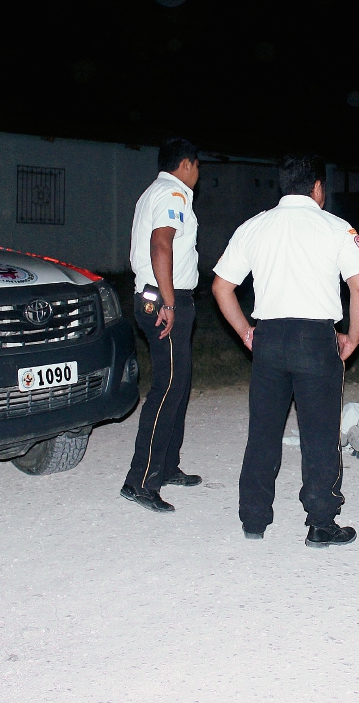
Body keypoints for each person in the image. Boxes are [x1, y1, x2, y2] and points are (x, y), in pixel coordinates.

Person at [212, 154, 359, 546]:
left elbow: (221, 286)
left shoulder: (254, 226)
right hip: (317, 340)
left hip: (269, 338)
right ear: (318, 188)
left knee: (263, 431)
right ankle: (321, 521)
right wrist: (351, 336)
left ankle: (254, 518)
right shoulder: (336, 227)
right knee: (319, 433)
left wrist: (246, 331)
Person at [120, 138, 203, 513]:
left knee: (178, 384)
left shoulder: (152, 192)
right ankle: (139, 482)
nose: (198, 174)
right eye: (197, 165)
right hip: (163, 299)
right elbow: (160, 245)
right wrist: (169, 303)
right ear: (186, 164)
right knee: (167, 387)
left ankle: (167, 466)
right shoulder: (174, 193)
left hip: (158, 296)